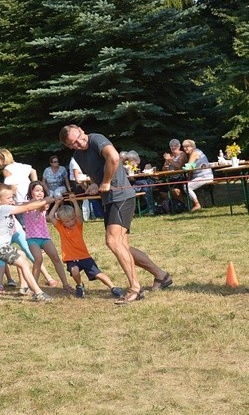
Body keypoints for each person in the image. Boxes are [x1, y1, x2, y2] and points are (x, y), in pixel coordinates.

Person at [60, 124, 173, 304]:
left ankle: (135, 288)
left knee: (113, 241)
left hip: (121, 196)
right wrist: (96, 184)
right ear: (69, 146)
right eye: (74, 143)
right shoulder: (78, 155)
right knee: (122, 246)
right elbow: (96, 173)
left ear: (82, 130)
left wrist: (106, 181)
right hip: (109, 199)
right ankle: (161, 275)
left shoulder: (96, 139)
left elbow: (113, 158)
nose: (80, 143)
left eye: (79, 137)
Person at [0, 183, 56, 302]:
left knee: (22, 255)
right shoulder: (3, 208)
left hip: (0, 246)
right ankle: (38, 293)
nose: (12, 200)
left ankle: (24, 287)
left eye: (12, 197)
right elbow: (27, 208)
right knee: (23, 263)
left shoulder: (3, 207)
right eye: (8, 198)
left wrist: (42, 202)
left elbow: (26, 205)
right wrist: (45, 201)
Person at [48, 195, 123, 299]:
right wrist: (56, 204)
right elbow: (50, 217)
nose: (70, 223)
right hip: (71, 258)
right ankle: (79, 285)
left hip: (84, 256)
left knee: (98, 274)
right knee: (74, 271)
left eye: (72, 219)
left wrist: (74, 202)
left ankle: (113, 287)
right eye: (67, 221)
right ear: (61, 221)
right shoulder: (61, 227)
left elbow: (79, 216)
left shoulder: (78, 225)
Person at [24, 181, 72, 292]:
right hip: (32, 237)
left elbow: (43, 206)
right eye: (37, 190)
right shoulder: (27, 204)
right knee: (38, 259)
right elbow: (33, 205)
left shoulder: (44, 203)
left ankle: (65, 284)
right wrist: (46, 200)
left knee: (55, 258)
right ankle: (33, 287)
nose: (40, 193)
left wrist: (55, 202)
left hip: (44, 236)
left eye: (41, 191)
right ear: (31, 192)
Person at [0, 148, 37, 227]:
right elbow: (33, 171)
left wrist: (10, 199)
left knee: (23, 225)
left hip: (19, 200)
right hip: (29, 197)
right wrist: (34, 186)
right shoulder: (20, 165)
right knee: (31, 223)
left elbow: (12, 186)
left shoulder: (7, 170)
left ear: (3, 159)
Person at [181, 139, 214, 212]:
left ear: (192, 147)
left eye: (187, 146)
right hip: (204, 176)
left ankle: (197, 204)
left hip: (204, 176)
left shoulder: (194, 153)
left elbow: (188, 167)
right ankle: (195, 204)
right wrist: (188, 178)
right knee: (187, 184)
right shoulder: (198, 151)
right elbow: (191, 169)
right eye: (184, 147)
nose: (185, 148)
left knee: (186, 187)